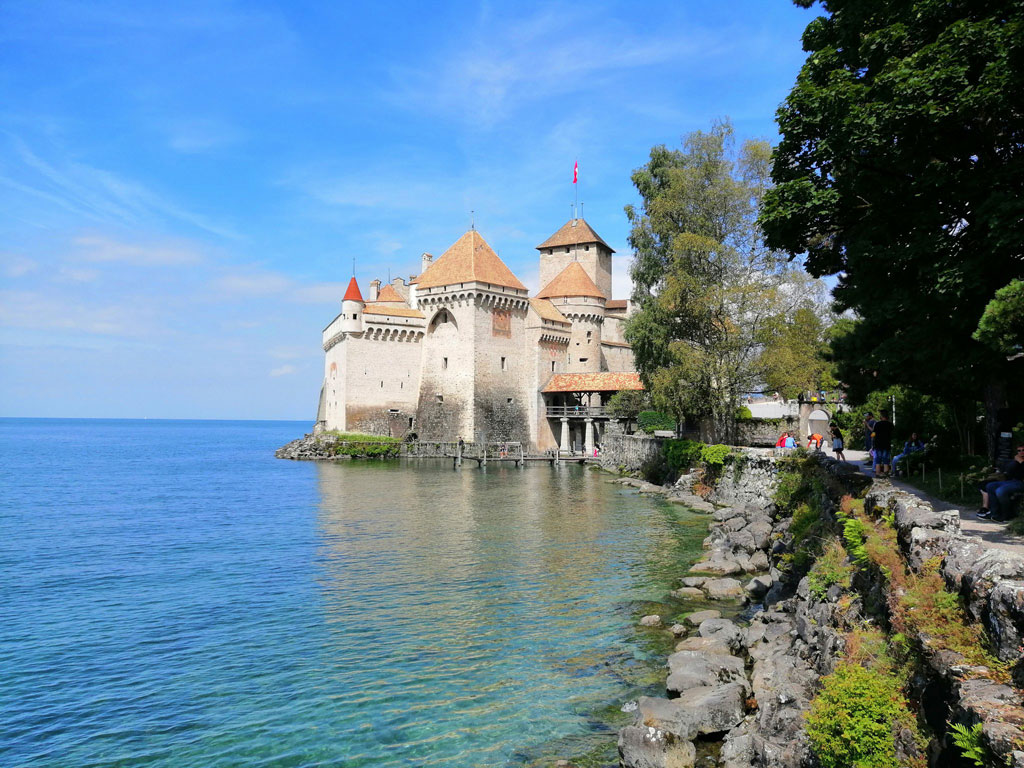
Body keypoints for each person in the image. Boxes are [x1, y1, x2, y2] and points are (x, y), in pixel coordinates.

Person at [978, 445, 1024, 521]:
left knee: (1000, 491)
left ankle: (1006, 515)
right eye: (1019, 450)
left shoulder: (1021, 461)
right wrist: (1015, 462)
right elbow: (1008, 472)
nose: (1021, 452)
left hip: (1021, 483)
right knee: (990, 486)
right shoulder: (1017, 461)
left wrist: (1021, 461)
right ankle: (994, 514)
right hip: (1013, 481)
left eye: (1023, 450)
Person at [871, 412, 894, 477]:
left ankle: (877, 473)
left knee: (878, 459)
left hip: (878, 444)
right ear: (887, 418)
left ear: (882, 417)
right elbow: (893, 434)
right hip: (886, 444)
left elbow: (873, 434)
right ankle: (885, 474)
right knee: (886, 459)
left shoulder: (877, 424)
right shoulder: (890, 424)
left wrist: (873, 437)